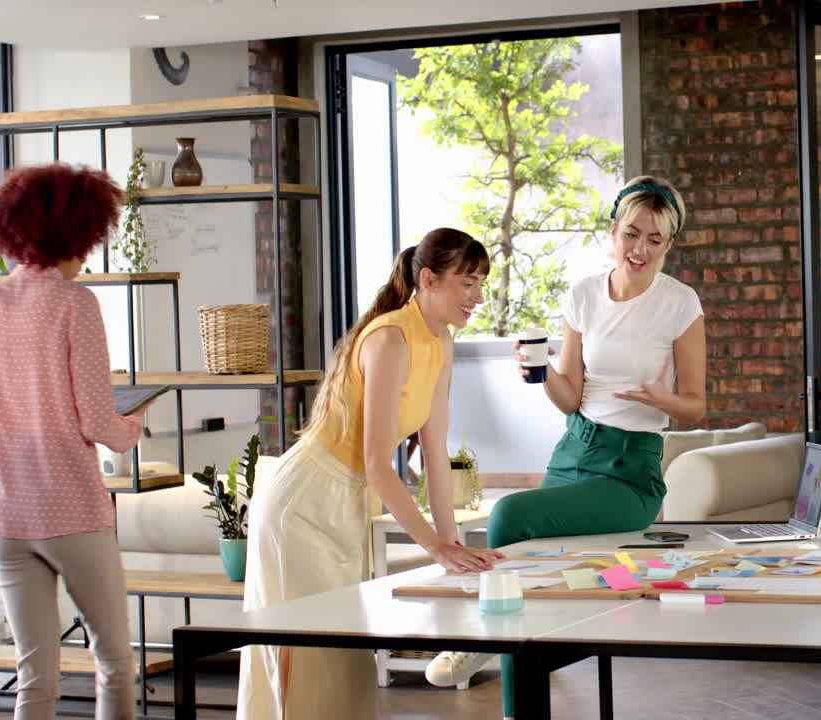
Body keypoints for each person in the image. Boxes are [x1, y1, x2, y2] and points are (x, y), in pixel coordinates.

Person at [426, 176, 707, 719]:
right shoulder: (582, 294)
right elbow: (570, 396)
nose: (639, 249)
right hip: (574, 448)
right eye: (631, 234)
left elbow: (696, 406)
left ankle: (484, 655)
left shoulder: (679, 303)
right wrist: (541, 374)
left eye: (654, 239)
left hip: (630, 471)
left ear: (669, 245)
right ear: (612, 232)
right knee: (531, 569)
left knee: (508, 514)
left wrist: (662, 398)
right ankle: (504, 661)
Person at [236, 228, 506, 720]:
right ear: (428, 279)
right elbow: (380, 462)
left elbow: (434, 448)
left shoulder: (440, 341)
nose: (478, 297)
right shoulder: (389, 339)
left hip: (347, 500)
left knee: (345, 660)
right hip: (305, 501)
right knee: (310, 655)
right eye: (467, 283)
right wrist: (434, 546)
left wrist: (453, 544)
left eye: (480, 283)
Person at [0, 163, 150, 720]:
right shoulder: (76, 305)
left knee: (33, 677)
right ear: (74, 234)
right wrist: (135, 426)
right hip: (71, 511)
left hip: (6, 515)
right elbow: (97, 423)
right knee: (114, 661)